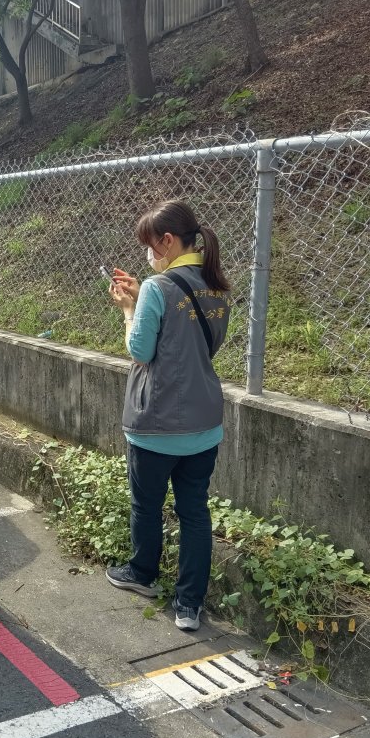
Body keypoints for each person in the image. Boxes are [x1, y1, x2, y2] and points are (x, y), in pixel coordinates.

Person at [104, 199, 231, 631]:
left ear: (169, 241)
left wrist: (128, 309)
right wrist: (144, 298)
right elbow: (198, 345)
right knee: (195, 511)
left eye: (151, 245)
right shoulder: (215, 286)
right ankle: (189, 605)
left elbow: (141, 351)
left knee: (147, 505)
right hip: (204, 423)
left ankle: (142, 574)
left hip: (156, 422)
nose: (149, 253)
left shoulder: (160, 288)